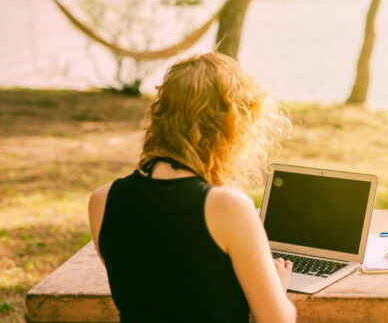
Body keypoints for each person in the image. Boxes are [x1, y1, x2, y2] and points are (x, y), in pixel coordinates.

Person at [87, 52, 296, 322]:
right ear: (233, 128)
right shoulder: (227, 206)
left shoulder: (102, 200)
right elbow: (277, 320)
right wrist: (276, 289)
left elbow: (155, 289)